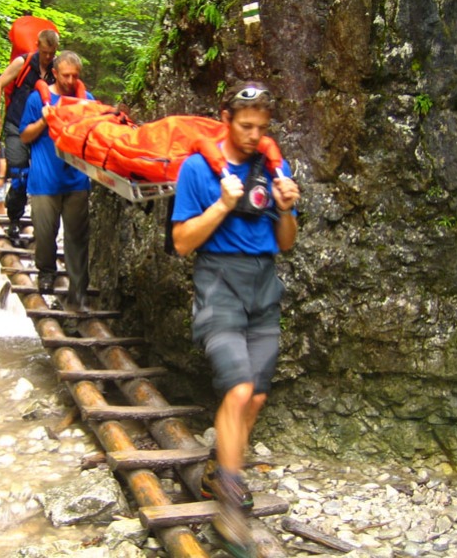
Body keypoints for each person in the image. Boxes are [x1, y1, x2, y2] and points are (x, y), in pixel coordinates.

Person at [171, 81, 300, 557]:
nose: (254, 136)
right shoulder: (196, 169)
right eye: (245, 126)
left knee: (256, 397)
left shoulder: (274, 168)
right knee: (239, 388)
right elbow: (182, 242)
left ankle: (216, 470)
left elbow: (286, 242)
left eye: (261, 128)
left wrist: (287, 209)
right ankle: (229, 503)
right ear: (225, 119)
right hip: (218, 285)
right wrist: (224, 203)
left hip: (264, 287)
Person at [19, 50, 92, 311]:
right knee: (45, 233)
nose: (70, 81)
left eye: (75, 76)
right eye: (65, 75)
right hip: (44, 180)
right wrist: (44, 120)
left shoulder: (86, 100)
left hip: (77, 180)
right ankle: (46, 272)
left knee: (77, 238)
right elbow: (24, 135)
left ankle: (78, 291)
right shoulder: (37, 99)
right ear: (55, 73)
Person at [0, 29, 59, 240]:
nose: (48, 57)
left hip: (42, 130)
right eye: (45, 52)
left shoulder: (57, 68)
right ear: (37, 46)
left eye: (52, 53)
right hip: (16, 126)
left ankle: (43, 226)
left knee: (43, 176)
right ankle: (14, 219)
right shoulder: (23, 63)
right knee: (20, 174)